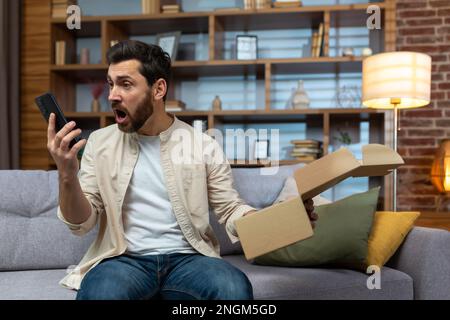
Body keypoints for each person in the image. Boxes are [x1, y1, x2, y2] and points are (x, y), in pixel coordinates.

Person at [47, 40, 318, 300]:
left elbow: (230, 208)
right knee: (100, 294)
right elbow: (82, 223)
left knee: (233, 288)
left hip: (189, 259)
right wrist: (67, 175)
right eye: (110, 84)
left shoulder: (203, 145)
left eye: (125, 84)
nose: (112, 95)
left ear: (158, 89)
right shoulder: (99, 143)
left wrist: (276, 218)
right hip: (123, 260)